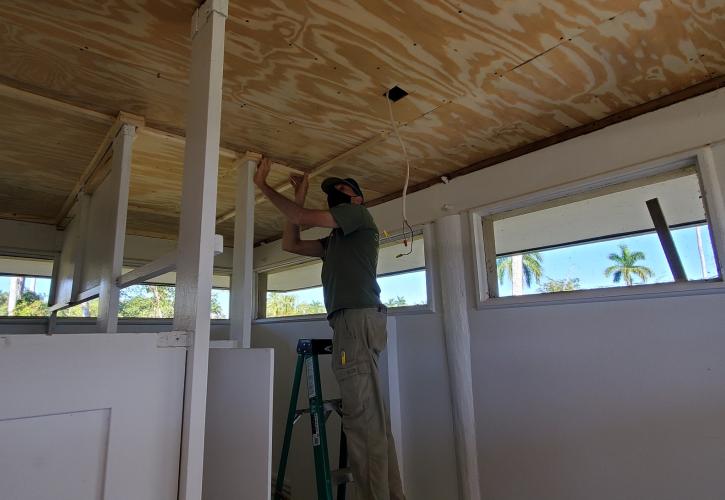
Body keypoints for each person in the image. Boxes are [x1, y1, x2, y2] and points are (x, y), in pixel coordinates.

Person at [253, 157, 405, 500]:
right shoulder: (335, 242)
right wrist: (301, 197)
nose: (336, 191)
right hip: (355, 323)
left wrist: (263, 186)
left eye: (343, 188)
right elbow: (291, 242)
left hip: (356, 321)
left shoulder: (360, 217)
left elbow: (300, 218)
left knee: (363, 425)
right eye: (331, 191)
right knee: (372, 423)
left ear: (357, 199)